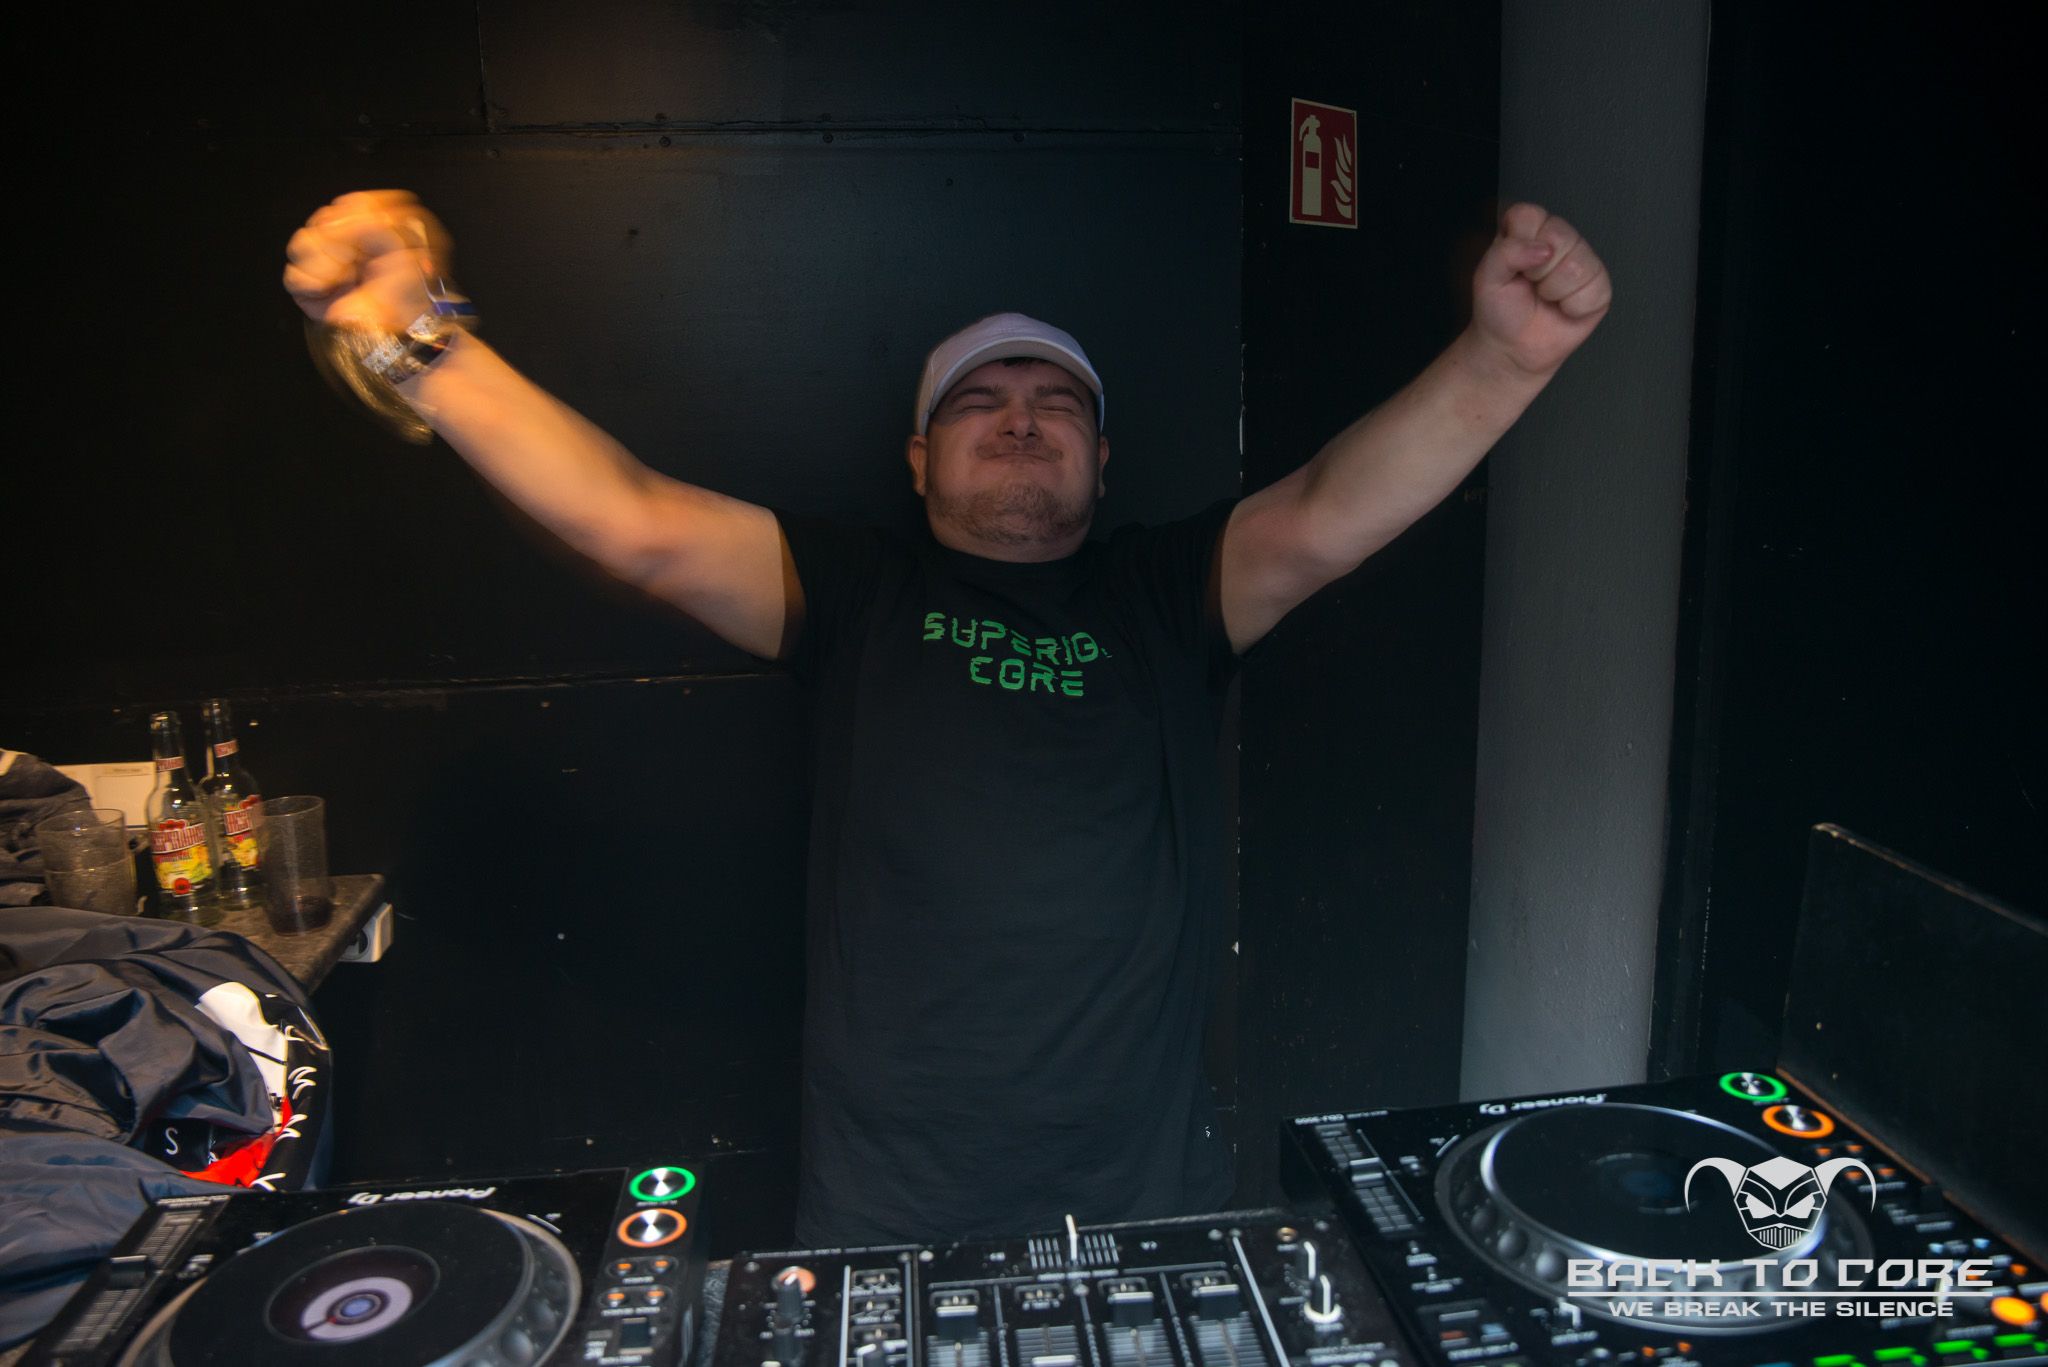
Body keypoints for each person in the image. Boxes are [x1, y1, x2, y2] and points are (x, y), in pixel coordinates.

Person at [283, 191, 1611, 1244]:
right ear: (919, 460)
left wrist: (1505, 359)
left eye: (1057, 405)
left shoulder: (1163, 593)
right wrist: (420, 342)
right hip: (891, 1195)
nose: (1021, 421)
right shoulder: (855, 590)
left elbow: (1327, 511)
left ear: (1102, 458)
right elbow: (629, 517)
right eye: (979, 402)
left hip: (1142, 1184)